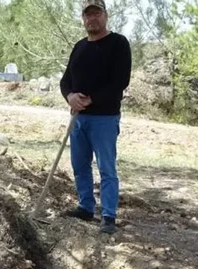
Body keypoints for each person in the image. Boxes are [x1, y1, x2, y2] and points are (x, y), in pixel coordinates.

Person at [59, 0, 132, 234]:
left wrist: (90, 100)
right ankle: (85, 207)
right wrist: (70, 96)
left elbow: (120, 81)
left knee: (106, 168)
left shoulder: (118, 43)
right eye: (88, 15)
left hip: (105, 119)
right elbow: (65, 80)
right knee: (80, 165)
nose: (92, 19)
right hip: (79, 119)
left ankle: (108, 216)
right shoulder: (79, 46)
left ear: (105, 15)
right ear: (83, 19)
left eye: (96, 14)